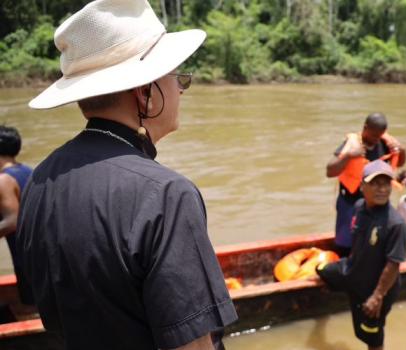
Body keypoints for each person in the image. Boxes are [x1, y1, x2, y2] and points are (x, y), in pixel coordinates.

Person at [16, 1, 236, 349]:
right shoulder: (166, 194)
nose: (180, 90)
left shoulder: (40, 179)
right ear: (145, 93)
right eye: (177, 78)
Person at [317, 160, 406, 350]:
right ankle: (321, 319)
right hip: (352, 270)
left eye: (385, 183)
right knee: (321, 271)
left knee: (372, 337)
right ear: (362, 186)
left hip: (374, 287)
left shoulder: (395, 225)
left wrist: (377, 297)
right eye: (375, 183)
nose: (381, 189)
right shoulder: (359, 207)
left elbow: (393, 265)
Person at [326, 113, 406, 256]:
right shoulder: (352, 144)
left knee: (374, 238)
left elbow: (399, 162)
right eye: (373, 135)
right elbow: (330, 170)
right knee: (346, 241)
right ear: (365, 128)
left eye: (379, 136)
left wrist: (403, 150)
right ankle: (344, 261)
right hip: (351, 200)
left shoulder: (384, 143)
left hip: (376, 201)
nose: (376, 140)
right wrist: (349, 155)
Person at [0, 126, 34, 307]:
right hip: (39, 250)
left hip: (24, 254)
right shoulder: (27, 170)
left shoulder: (3, 180)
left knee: (31, 301)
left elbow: (12, 221)